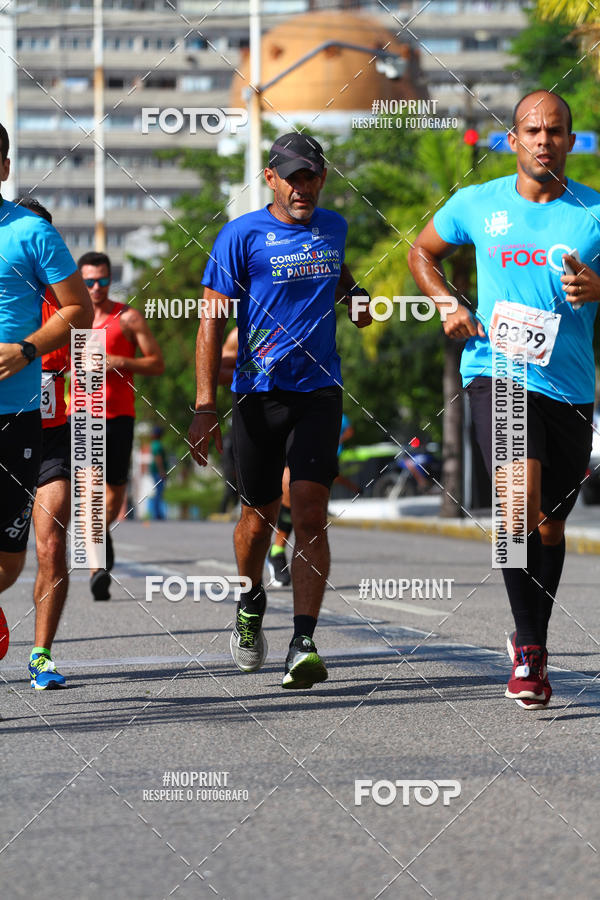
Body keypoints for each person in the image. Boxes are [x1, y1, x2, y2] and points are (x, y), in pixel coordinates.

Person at [408, 90, 600, 709]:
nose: (544, 140)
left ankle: (530, 635)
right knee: (516, 506)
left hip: (569, 385)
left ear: (571, 141)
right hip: (497, 371)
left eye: (556, 130)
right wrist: (447, 301)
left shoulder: (593, 212)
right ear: (513, 140)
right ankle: (530, 654)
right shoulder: (477, 203)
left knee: (550, 522)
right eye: (533, 130)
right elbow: (422, 251)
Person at [188, 132, 372, 689]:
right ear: (271, 178)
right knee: (257, 518)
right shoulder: (239, 235)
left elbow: (339, 273)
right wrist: (203, 406)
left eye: (311, 176)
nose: (302, 187)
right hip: (256, 393)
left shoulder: (334, 227)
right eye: (292, 176)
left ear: (322, 178)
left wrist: (356, 299)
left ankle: (304, 640)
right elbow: (210, 322)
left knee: (311, 509)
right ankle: (250, 608)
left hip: (319, 390)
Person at [0, 125, 92, 664]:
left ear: (4, 167)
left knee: (11, 561)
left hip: (16, 413)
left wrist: (28, 350)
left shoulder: (30, 232)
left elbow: (77, 309)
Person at [75, 251, 165, 600]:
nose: (95, 288)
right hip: (81, 416)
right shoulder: (68, 320)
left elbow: (157, 363)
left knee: (112, 498)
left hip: (120, 417)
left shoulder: (127, 318)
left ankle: (104, 536)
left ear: (110, 280)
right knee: (90, 492)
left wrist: (120, 361)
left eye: (102, 281)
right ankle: (98, 568)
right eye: (88, 282)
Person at [16, 197, 75, 689]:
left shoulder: (68, 303)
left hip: (54, 435)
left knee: (51, 543)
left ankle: (41, 655)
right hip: (10, 424)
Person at [149, 425, 168, 520]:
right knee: (159, 492)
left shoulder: (155, 443)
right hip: (158, 471)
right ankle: (157, 514)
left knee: (159, 492)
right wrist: (162, 471)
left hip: (156, 471)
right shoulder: (157, 444)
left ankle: (158, 513)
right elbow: (158, 459)